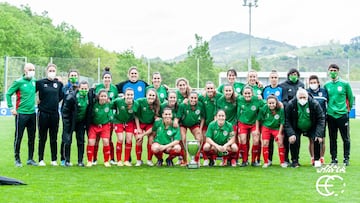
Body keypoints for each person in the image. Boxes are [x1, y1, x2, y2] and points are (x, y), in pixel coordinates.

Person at [6, 63, 37, 167]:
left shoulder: (34, 81)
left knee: (32, 137)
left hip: (32, 113)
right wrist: (11, 108)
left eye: (33, 69)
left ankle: (30, 159)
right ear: (25, 70)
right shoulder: (18, 82)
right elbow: (8, 94)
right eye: (30, 69)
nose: (32, 71)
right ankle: (17, 159)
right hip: (21, 114)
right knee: (18, 137)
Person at [284, 88, 325, 168]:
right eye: (300, 98)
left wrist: (319, 134)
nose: (302, 99)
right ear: (297, 97)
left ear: (307, 97)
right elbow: (287, 120)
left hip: (312, 126)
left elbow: (321, 118)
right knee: (294, 139)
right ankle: (295, 161)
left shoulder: (314, 103)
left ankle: (316, 161)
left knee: (317, 139)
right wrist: (291, 134)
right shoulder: (291, 104)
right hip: (296, 127)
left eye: (304, 97)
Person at [324, 64, 354, 166]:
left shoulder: (345, 84)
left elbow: (350, 98)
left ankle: (346, 158)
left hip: (342, 115)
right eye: (331, 70)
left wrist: (347, 110)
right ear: (328, 71)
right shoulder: (326, 85)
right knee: (332, 139)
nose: (333, 72)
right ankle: (334, 159)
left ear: (338, 71)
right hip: (331, 115)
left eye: (335, 70)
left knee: (345, 138)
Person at [36, 63, 64, 166]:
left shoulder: (59, 84)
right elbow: (31, 92)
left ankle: (53, 159)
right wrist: (37, 100)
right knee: (42, 137)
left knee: (54, 137)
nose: (52, 72)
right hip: (43, 113)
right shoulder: (40, 83)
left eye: (53, 71)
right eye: (50, 70)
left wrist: (54, 101)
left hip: (54, 114)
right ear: (46, 71)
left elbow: (61, 96)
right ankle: (40, 159)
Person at [61, 80, 90, 167]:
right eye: (82, 88)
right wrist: (66, 122)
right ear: (79, 88)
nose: (84, 90)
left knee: (81, 141)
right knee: (68, 140)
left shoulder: (90, 96)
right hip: (70, 121)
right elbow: (65, 111)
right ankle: (67, 160)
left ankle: (80, 161)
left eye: (86, 88)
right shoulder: (72, 97)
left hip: (81, 122)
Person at [93, 67, 118, 165]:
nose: (107, 79)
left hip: (109, 117)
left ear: (111, 79)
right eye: (105, 78)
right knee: (96, 140)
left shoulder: (114, 88)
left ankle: (112, 158)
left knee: (108, 139)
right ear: (102, 79)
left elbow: (115, 103)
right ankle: (94, 159)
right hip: (98, 116)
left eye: (109, 78)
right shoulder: (97, 87)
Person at [279, 68, 304, 164]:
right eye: (292, 74)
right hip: (287, 114)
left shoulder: (301, 85)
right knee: (286, 138)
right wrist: (291, 105)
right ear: (288, 75)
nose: (294, 76)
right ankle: (285, 158)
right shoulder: (283, 86)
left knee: (297, 138)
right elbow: (284, 100)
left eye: (295, 74)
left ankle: (295, 159)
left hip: (298, 116)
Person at [174, 91, 205, 166]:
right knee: (183, 138)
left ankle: (196, 160)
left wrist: (200, 129)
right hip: (183, 124)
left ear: (197, 99)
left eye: (195, 98)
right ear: (188, 98)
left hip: (194, 124)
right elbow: (178, 117)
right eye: (192, 98)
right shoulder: (183, 105)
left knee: (199, 137)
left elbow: (203, 118)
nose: (193, 99)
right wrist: (175, 122)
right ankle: (185, 160)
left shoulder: (200, 105)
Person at [237, 86, 265, 167]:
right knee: (242, 140)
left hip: (254, 123)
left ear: (252, 94)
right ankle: (244, 161)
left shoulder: (257, 100)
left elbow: (267, 104)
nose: (247, 95)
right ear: (242, 94)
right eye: (245, 93)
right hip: (243, 123)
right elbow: (230, 95)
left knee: (256, 140)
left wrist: (279, 104)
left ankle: (253, 161)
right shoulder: (239, 99)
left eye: (249, 93)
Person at [257, 95, 287, 168]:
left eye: (273, 103)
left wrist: (280, 134)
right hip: (266, 128)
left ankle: (282, 162)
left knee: (280, 142)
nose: (271, 105)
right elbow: (258, 119)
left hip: (276, 128)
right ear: (267, 103)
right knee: (265, 143)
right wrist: (257, 129)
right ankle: (266, 162)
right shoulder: (264, 108)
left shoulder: (280, 109)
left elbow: (282, 122)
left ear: (276, 103)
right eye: (269, 103)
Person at [86, 89, 113, 167]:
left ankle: (106, 161)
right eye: (101, 96)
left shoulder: (109, 104)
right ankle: (90, 160)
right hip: (94, 126)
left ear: (107, 97)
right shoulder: (94, 104)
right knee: (91, 142)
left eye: (105, 96)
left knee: (105, 141)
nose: (103, 98)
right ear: (98, 97)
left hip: (105, 126)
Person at [133, 88, 161, 166]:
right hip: (140, 123)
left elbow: (156, 120)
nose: (151, 97)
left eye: (153, 95)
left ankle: (149, 160)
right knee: (139, 139)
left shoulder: (157, 105)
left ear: (155, 97)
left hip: (150, 125)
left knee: (151, 139)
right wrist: (138, 128)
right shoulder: (140, 101)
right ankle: (138, 160)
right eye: (150, 95)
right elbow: (136, 116)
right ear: (146, 95)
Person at [198, 81, 223, 166]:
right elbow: (192, 98)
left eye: (211, 88)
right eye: (208, 88)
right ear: (205, 89)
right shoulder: (202, 97)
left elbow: (229, 96)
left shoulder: (219, 96)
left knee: (214, 142)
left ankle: (214, 159)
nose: (210, 90)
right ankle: (205, 159)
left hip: (215, 124)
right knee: (204, 141)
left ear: (214, 89)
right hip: (205, 123)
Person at [262, 70, 283, 165]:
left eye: (275, 77)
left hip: (277, 121)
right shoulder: (265, 89)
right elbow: (262, 102)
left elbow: (284, 101)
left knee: (281, 141)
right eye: (272, 77)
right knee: (267, 142)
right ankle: (268, 160)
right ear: (269, 79)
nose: (274, 79)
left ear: (278, 79)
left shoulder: (281, 89)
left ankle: (283, 160)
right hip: (267, 120)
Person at [60, 69, 80, 166]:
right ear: (68, 77)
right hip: (67, 117)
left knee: (78, 138)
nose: (73, 77)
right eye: (72, 75)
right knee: (66, 137)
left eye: (75, 75)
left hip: (78, 117)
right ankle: (63, 159)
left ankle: (79, 160)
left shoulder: (80, 88)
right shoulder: (64, 88)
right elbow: (60, 99)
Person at [112, 88, 136, 167]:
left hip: (129, 122)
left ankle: (126, 160)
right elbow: (110, 105)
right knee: (120, 139)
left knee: (129, 139)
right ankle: (119, 160)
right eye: (128, 95)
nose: (130, 96)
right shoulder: (118, 101)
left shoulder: (135, 104)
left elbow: (137, 115)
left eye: (131, 95)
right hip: (118, 121)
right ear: (124, 95)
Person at [307, 75, 328, 165]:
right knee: (312, 140)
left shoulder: (324, 92)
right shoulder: (307, 92)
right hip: (310, 120)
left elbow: (328, 104)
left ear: (318, 83)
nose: (313, 84)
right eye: (311, 83)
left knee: (321, 139)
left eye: (314, 82)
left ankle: (321, 158)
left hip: (321, 120)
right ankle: (313, 158)